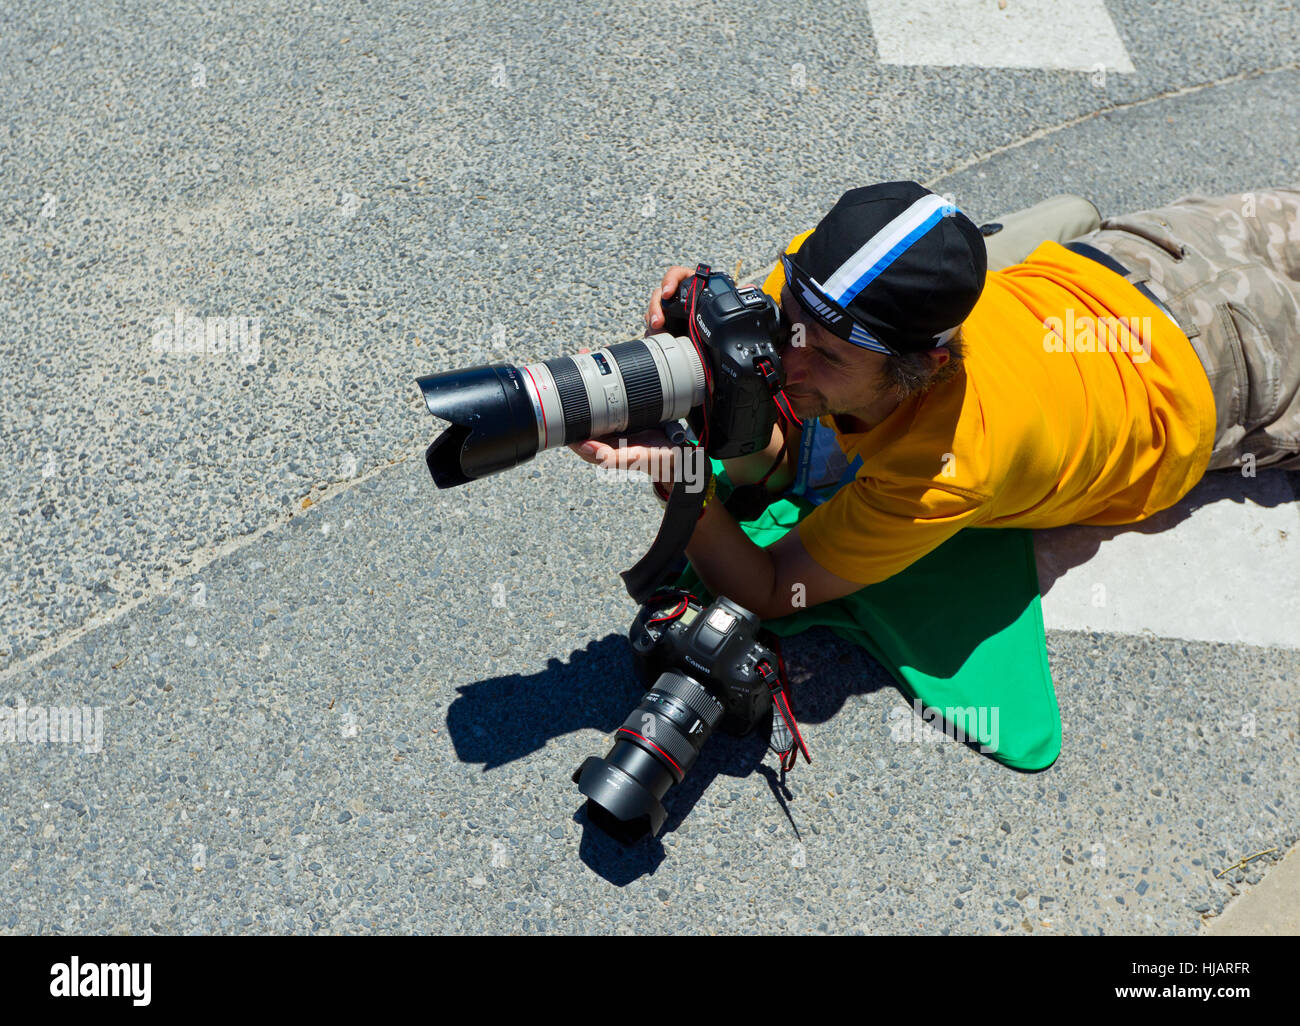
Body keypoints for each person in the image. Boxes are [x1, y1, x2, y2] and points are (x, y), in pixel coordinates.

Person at [570, 180, 1300, 622]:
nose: (782, 358)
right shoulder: (834, 283)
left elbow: (771, 587)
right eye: (782, 319)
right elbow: (778, 406)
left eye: (823, 356)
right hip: (1143, 259)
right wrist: (692, 352)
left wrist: (684, 485)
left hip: (1229, 370)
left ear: (927, 367)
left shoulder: (945, 469)